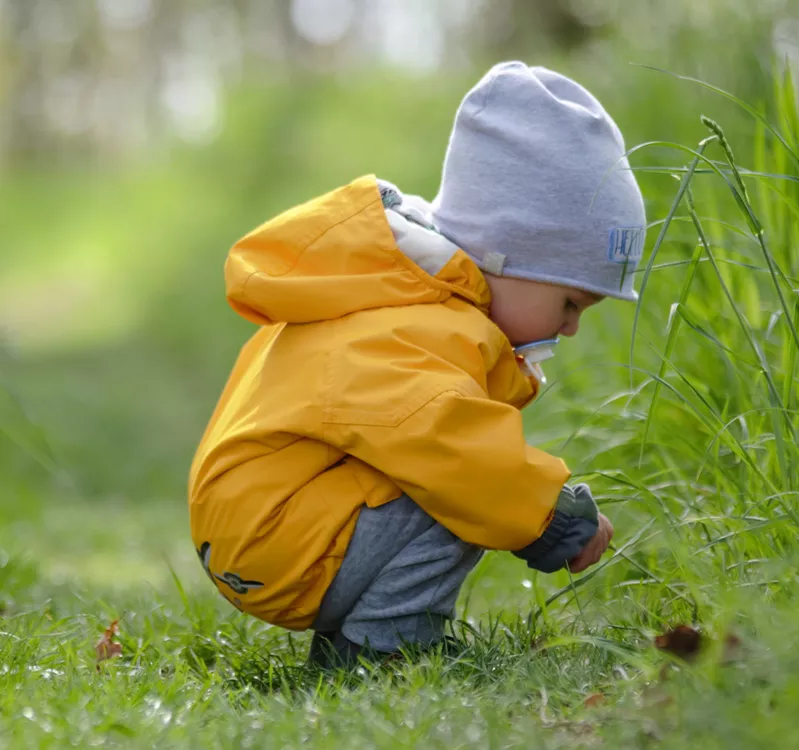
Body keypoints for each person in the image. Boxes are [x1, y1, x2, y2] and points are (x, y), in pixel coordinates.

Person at [188, 60, 646, 668]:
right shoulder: (422, 324)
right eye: (569, 302)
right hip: (275, 536)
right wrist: (549, 512)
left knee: (454, 481)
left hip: (270, 524)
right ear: (508, 255)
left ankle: (359, 638)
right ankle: (383, 651)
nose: (570, 327)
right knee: (458, 488)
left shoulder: (398, 294)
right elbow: (447, 443)